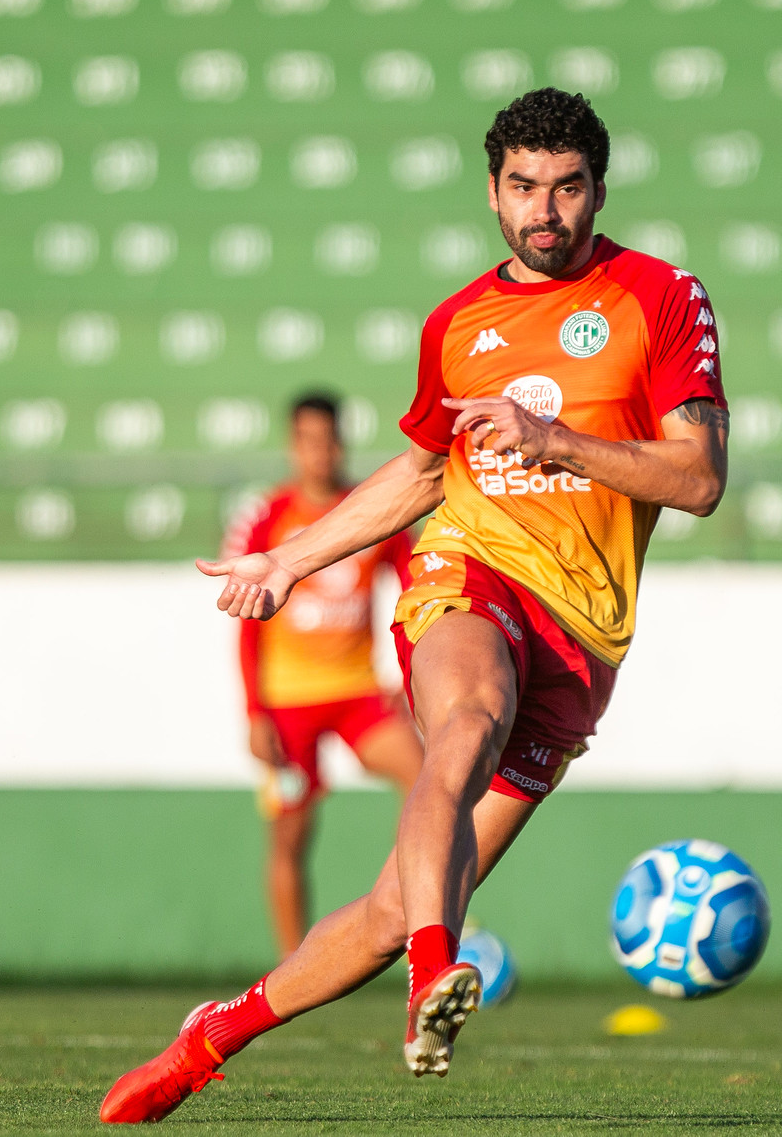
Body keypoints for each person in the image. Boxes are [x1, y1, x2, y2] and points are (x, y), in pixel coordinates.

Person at [101, 87, 728, 1123]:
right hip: (470, 575)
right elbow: (426, 473)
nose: (544, 210)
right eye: (522, 186)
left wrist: (556, 441)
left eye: (566, 187)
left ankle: (209, 1036)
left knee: (394, 906)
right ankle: (435, 973)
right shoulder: (458, 323)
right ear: (491, 192)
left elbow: (697, 477)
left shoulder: (660, 298)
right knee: (466, 722)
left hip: (582, 638)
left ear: (598, 190)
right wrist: (290, 559)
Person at [221, 392, 421, 958]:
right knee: (290, 835)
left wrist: (408, 677)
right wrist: (254, 714)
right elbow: (247, 627)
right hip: (288, 703)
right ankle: (294, 968)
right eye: (308, 440)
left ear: (342, 443)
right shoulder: (267, 517)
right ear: (293, 446)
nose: (320, 451)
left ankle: (412, 912)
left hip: (358, 692)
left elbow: (415, 590)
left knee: (427, 776)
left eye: (329, 439)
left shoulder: (371, 510)